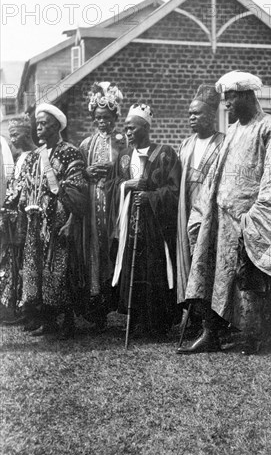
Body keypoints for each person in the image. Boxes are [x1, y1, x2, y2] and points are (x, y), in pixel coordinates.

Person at [178, 71, 271, 355]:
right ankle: (210, 333)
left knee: (247, 280)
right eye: (225, 98)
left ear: (248, 96)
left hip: (248, 218)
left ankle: (253, 336)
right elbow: (217, 172)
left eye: (231, 98)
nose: (226, 104)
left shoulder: (269, 126)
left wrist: (255, 216)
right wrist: (205, 209)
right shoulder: (234, 130)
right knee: (213, 273)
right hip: (220, 217)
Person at [109, 103, 181, 339]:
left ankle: (159, 323)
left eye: (132, 128)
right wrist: (126, 186)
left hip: (155, 227)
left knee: (155, 269)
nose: (128, 133)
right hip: (130, 224)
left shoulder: (165, 153)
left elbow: (174, 189)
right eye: (126, 128)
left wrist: (150, 196)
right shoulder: (123, 157)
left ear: (146, 128)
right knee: (133, 267)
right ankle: (136, 319)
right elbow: (113, 187)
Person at [17, 103, 88, 338]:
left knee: (60, 270)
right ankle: (47, 321)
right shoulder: (34, 156)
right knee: (37, 270)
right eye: (37, 123)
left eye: (44, 123)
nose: (39, 127)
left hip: (58, 221)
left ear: (56, 126)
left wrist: (71, 223)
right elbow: (26, 186)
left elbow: (78, 190)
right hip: (36, 222)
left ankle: (67, 321)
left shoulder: (70, 152)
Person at [176, 84, 225, 333]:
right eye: (190, 114)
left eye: (197, 114)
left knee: (208, 262)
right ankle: (192, 313)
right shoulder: (186, 144)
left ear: (211, 115)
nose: (192, 118)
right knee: (187, 258)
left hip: (211, 213)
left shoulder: (223, 143)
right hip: (186, 210)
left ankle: (213, 319)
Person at [79, 82, 127, 330]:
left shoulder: (121, 141)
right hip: (91, 199)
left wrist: (113, 169)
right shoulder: (86, 144)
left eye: (107, 118)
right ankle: (95, 307)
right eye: (98, 118)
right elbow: (79, 173)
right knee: (93, 248)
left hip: (113, 200)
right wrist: (87, 171)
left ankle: (112, 301)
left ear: (114, 118)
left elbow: (129, 168)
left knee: (111, 246)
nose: (102, 122)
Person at [0, 115, 36, 321]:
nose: (13, 139)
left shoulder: (35, 156)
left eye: (16, 134)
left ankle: (29, 307)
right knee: (14, 260)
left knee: (26, 260)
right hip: (15, 215)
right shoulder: (19, 157)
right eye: (10, 135)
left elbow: (27, 186)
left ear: (26, 133)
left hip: (27, 215)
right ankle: (18, 305)